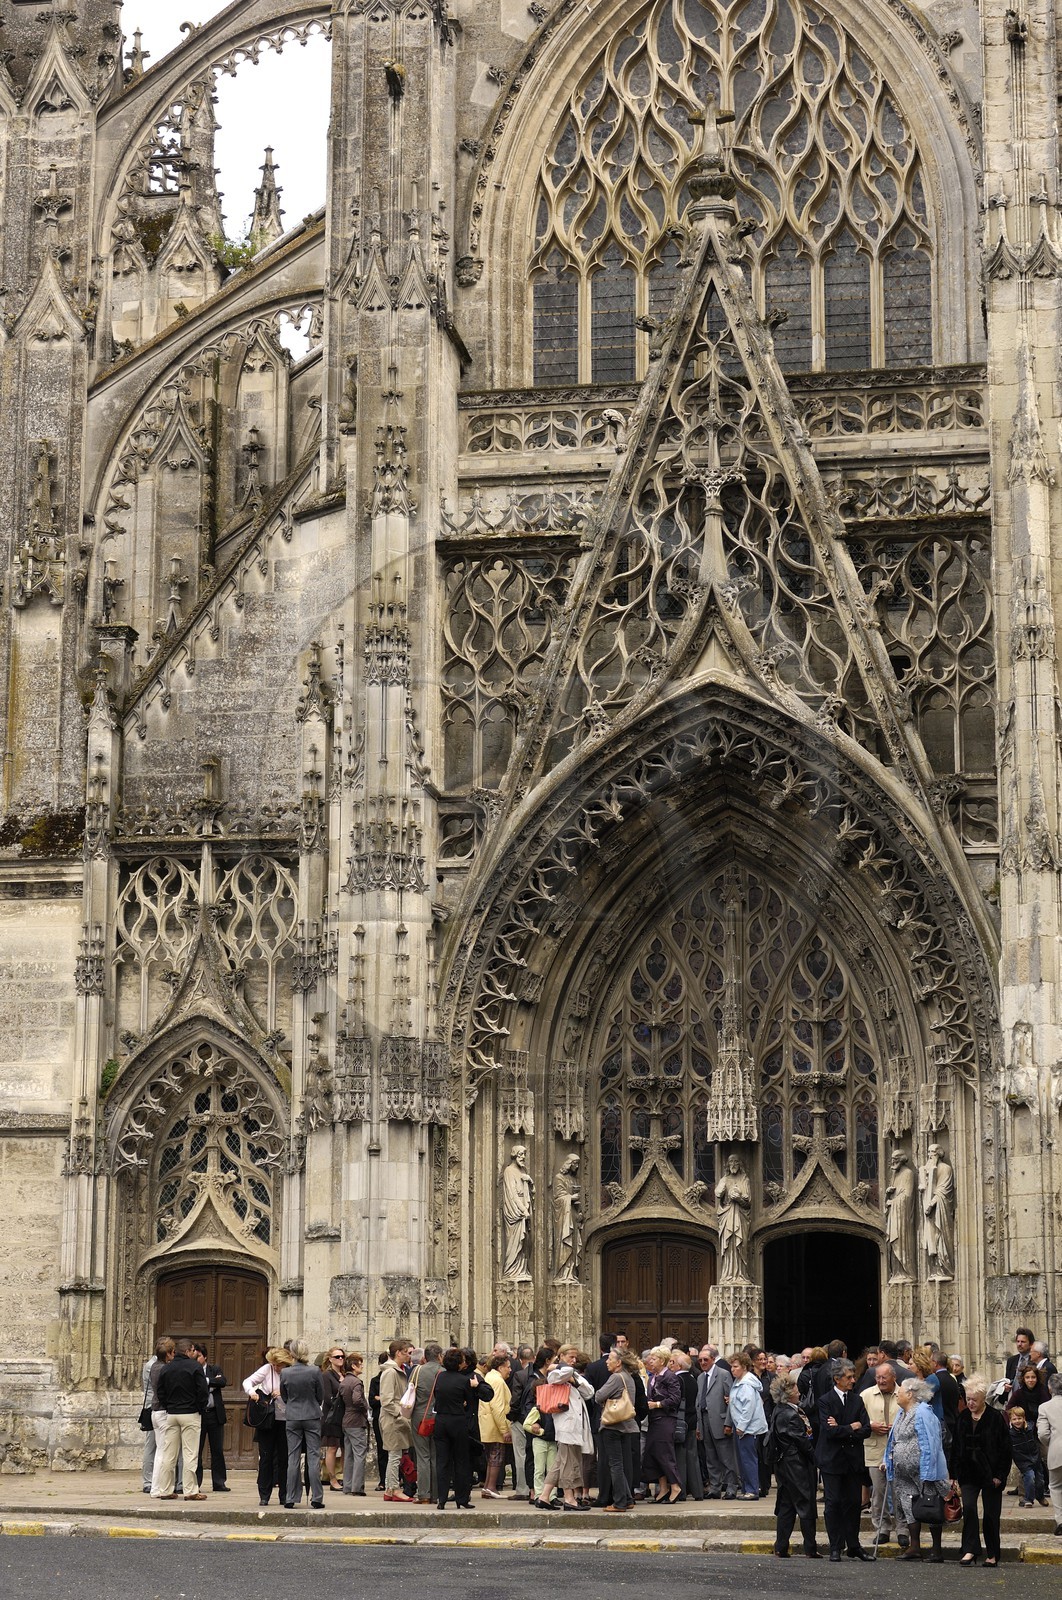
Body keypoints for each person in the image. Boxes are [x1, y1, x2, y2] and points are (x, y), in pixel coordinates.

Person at [816, 1357, 871, 1562]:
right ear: (837, 1379)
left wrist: (843, 1427)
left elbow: (865, 1429)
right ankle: (835, 1546)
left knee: (854, 1503)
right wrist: (850, 1427)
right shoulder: (825, 1400)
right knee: (833, 1503)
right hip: (832, 1460)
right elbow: (829, 1432)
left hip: (853, 1460)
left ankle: (854, 1545)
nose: (853, 1380)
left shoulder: (857, 1400)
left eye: (853, 1377)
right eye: (849, 1377)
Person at [955, 1372, 1012, 1567]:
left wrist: (1000, 1475)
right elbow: (956, 1448)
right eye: (968, 1399)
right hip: (968, 1473)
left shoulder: (995, 1418)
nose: (970, 1403)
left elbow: (1006, 1449)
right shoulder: (963, 1418)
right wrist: (953, 1476)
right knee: (969, 1509)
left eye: (974, 1400)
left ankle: (992, 1553)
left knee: (990, 1514)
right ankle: (970, 1549)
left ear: (983, 1399)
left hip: (991, 1474)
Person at [768, 1372, 821, 1559]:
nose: (799, 1392)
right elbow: (802, 1441)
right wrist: (817, 1458)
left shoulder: (781, 1410)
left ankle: (781, 1546)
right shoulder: (790, 1414)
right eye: (796, 1389)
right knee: (805, 1504)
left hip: (785, 1465)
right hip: (796, 1465)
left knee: (787, 1505)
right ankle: (810, 1547)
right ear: (788, 1392)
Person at [156, 1336, 209, 1502]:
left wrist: (169, 1406)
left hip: (171, 1414)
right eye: (193, 1350)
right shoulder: (195, 1367)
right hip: (190, 1413)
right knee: (190, 1453)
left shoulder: (167, 1368)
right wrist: (200, 1407)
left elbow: (160, 1392)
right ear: (188, 1350)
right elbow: (202, 1391)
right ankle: (190, 1490)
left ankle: (165, 1489)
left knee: (169, 1454)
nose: (194, 1353)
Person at [863, 1359, 908, 1548]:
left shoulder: (905, 1394)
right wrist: (871, 1425)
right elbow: (859, 1421)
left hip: (899, 1451)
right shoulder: (866, 1395)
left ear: (894, 1378)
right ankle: (881, 1529)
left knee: (900, 1492)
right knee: (878, 1493)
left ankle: (903, 1530)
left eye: (884, 1377)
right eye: (878, 1377)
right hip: (875, 1449)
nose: (880, 1381)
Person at [540, 1361, 595, 1511]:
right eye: (569, 1357)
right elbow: (558, 1375)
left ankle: (544, 1496)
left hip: (576, 1426)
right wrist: (562, 1366)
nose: (573, 1361)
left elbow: (589, 1392)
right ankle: (569, 1499)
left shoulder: (573, 1375)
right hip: (566, 1426)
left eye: (575, 1358)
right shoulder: (556, 1374)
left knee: (560, 1463)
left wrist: (575, 1380)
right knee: (569, 1463)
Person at [433, 1347, 481, 1510]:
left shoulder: (440, 1377)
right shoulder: (463, 1380)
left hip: (441, 1420)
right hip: (457, 1420)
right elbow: (469, 1401)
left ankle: (441, 1498)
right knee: (461, 1461)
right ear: (460, 1363)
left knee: (442, 1461)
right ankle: (461, 1498)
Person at [243, 1346, 292, 1505]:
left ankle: (284, 1495)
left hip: (286, 1420)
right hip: (268, 1419)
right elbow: (248, 1381)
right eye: (275, 1365)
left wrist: (283, 1393)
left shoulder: (291, 1372)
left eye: (280, 1365)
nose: (277, 1368)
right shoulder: (267, 1369)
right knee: (266, 1457)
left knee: (284, 1459)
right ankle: (264, 1495)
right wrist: (252, 1391)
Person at [279, 1339, 325, 1509]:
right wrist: (312, 1404)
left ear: (292, 1353)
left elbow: (284, 1396)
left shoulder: (285, 1373)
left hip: (292, 1416)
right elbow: (320, 1395)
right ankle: (317, 1497)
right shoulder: (314, 1371)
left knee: (293, 1457)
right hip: (311, 1415)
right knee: (313, 1456)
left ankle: (290, 1497)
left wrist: (292, 1405)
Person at [594, 1348, 638, 1513]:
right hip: (626, 1425)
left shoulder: (616, 1377)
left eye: (610, 1359)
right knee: (620, 1463)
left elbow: (599, 1396)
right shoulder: (629, 1377)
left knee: (615, 1464)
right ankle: (627, 1498)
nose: (606, 1361)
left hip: (613, 1425)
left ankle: (619, 1502)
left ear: (618, 1362)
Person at [641, 1347, 683, 1504]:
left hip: (665, 1419)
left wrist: (657, 1404)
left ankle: (675, 1486)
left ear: (662, 1360)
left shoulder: (670, 1377)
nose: (650, 1360)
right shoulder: (653, 1376)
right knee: (654, 1454)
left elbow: (675, 1399)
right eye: (650, 1358)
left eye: (654, 1358)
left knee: (665, 1454)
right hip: (654, 1420)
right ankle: (663, 1488)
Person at [697, 1343, 739, 1498]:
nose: (702, 1363)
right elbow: (698, 1401)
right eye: (700, 1360)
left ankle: (731, 1487)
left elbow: (731, 1400)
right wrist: (698, 1425)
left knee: (726, 1457)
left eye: (705, 1360)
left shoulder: (723, 1374)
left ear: (713, 1359)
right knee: (711, 1457)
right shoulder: (701, 1377)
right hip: (705, 1420)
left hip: (720, 1421)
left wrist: (729, 1423)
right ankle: (715, 1488)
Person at [729, 1350, 768, 1501]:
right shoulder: (738, 1382)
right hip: (742, 1428)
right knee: (743, 1460)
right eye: (732, 1367)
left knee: (748, 1459)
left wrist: (741, 1426)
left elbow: (748, 1407)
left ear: (744, 1367)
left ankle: (752, 1490)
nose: (733, 1369)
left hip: (747, 1429)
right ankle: (747, 1489)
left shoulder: (746, 1384)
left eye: (736, 1366)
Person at [378, 1338, 414, 1501]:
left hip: (397, 1419)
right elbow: (387, 1401)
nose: (408, 1356)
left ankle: (390, 1489)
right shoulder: (390, 1372)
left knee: (396, 1454)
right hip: (393, 1420)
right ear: (398, 1353)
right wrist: (401, 1415)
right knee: (394, 1455)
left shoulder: (398, 1370)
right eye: (406, 1352)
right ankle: (393, 1489)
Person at [193, 1342, 228, 1493]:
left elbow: (222, 1381)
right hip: (199, 1414)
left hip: (214, 1414)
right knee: (197, 1451)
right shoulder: (193, 1370)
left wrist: (207, 1381)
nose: (196, 1358)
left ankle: (219, 1483)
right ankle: (196, 1483)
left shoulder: (215, 1369)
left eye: (199, 1356)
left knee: (217, 1450)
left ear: (205, 1356)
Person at [410, 1341, 442, 1505]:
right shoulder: (443, 1372)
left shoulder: (417, 1371)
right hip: (438, 1417)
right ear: (439, 1356)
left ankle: (423, 1494)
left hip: (419, 1416)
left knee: (422, 1456)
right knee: (436, 1455)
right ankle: (436, 1493)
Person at [670, 1349, 702, 1502]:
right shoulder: (693, 1379)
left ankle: (681, 1491)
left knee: (680, 1458)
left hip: (680, 1422)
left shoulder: (677, 1380)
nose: (671, 1365)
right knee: (693, 1457)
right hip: (691, 1420)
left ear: (679, 1366)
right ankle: (698, 1491)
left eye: (673, 1363)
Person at [147, 1337, 178, 1498]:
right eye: (173, 1352)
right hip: (163, 1412)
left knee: (161, 1451)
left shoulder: (154, 1366)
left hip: (155, 1411)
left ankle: (156, 1488)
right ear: (168, 1354)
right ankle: (160, 1488)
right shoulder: (164, 1369)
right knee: (165, 1453)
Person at [478, 1353, 512, 1498]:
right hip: (494, 1424)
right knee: (496, 1456)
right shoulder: (497, 1381)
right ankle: (491, 1486)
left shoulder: (490, 1377)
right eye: (508, 1367)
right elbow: (497, 1406)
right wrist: (504, 1429)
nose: (510, 1370)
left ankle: (487, 1487)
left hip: (488, 1422)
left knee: (491, 1456)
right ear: (500, 1367)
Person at [339, 1351, 369, 1495]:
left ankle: (348, 1485)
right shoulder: (356, 1382)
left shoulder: (344, 1381)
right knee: (359, 1454)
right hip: (356, 1420)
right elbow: (357, 1400)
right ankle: (357, 1487)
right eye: (360, 1364)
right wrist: (365, 1407)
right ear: (353, 1366)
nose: (362, 1366)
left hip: (346, 1420)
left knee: (349, 1454)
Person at [1036, 1373, 1062, 1535]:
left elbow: (1043, 1434)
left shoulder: (1045, 1407)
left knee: (1056, 1487)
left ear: (1050, 1388)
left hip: (1056, 1451)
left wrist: (1052, 1444)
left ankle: (1060, 1520)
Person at [319, 1343, 345, 1491]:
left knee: (345, 1448)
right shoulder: (326, 1375)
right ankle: (332, 1479)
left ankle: (345, 1477)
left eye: (342, 1356)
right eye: (337, 1357)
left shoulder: (344, 1374)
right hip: (331, 1417)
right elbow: (328, 1398)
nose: (340, 1359)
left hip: (344, 1417)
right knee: (332, 1448)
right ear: (330, 1359)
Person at [1009, 1406, 1043, 1507]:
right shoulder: (1010, 1434)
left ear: (1024, 1418)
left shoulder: (1031, 1428)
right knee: (1030, 1478)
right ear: (1010, 1420)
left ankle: (1040, 1496)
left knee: (1040, 1481)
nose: (1017, 1421)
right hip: (1023, 1461)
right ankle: (1028, 1499)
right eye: (1014, 1419)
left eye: (1019, 1418)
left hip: (1035, 1458)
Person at [368, 1353, 388, 1490]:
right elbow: (372, 1401)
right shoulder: (375, 1380)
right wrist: (382, 1399)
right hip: (378, 1417)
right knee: (381, 1449)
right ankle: (382, 1480)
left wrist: (380, 1398)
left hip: (391, 1417)